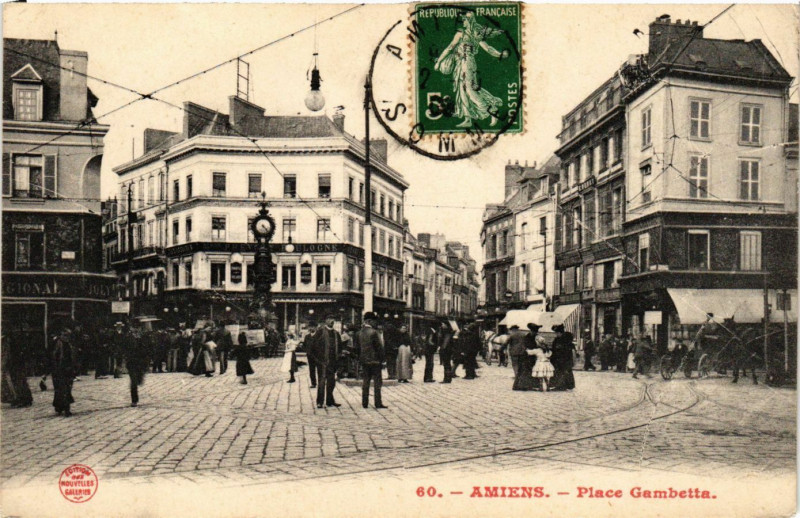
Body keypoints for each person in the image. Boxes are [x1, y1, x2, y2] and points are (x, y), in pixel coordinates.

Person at [433, 11, 506, 128]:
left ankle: (491, 109)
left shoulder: (465, 33)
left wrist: (439, 62)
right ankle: (468, 118)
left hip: (466, 63)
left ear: (470, 21)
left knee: (469, 90)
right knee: (462, 90)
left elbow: (450, 48)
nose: (463, 22)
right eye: (463, 19)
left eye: (465, 19)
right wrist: (499, 54)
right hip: (462, 63)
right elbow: (487, 48)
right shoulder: (474, 33)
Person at [356, 312, 387, 409]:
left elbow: (357, 349)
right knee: (377, 382)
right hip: (375, 361)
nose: (375, 323)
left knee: (366, 381)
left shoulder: (359, 333)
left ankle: (364, 403)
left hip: (364, 361)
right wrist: (383, 360)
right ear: (369, 321)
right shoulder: (374, 332)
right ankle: (378, 403)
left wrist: (360, 358)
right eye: (374, 321)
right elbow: (379, 348)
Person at [309, 317, 341, 408]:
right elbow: (313, 347)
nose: (331, 321)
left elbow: (340, 347)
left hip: (333, 362)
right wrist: (318, 359)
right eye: (329, 319)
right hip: (322, 362)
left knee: (331, 382)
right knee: (322, 382)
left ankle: (330, 401)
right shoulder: (320, 332)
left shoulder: (336, 334)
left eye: (333, 319)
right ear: (326, 321)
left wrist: (338, 359)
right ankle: (320, 402)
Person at [51, 328, 77, 416]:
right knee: (63, 389)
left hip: (69, 369)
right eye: (64, 335)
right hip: (60, 370)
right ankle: (65, 408)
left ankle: (61, 406)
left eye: (68, 336)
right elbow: (54, 357)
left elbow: (73, 357)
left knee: (67, 389)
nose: (66, 337)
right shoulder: (58, 344)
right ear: (61, 336)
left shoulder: (70, 345)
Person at [7, 323, 33, 408]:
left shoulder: (18, 340)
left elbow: (22, 352)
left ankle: (24, 399)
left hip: (18, 362)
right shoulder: (17, 338)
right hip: (17, 362)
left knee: (20, 381)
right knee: (19, 381)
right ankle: (25, 399)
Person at [125, 326, 150, 407]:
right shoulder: (128, 338)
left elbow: (147, 350)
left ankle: (140, 379)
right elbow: (125, 348)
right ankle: (134, 400)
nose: (135, 330)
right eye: (134, 328)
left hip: (140, 363)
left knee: (138, 379)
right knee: (133, 381)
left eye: (137, 328)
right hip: (131, 362)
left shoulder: (143, 338)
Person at [508, 324, 534, 390]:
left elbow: (506, 343)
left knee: (515, 365)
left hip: (514, 353)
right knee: (521, 367)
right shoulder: (523, 334)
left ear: (513, 329)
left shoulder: (512, 335)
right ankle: (520, 380)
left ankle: (517, 380)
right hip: (522, 352)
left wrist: (501, 349)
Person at [550, 325, 576, 391]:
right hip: (562, 360)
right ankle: (567, 385)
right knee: (564, 372)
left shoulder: (564, 340)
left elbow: (566, 351)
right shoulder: (558, 340)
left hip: (563, 360)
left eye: (557, 333)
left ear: (560, 332)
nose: (556, 334)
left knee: (562, 372)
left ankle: (561, 386)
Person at [304, 322, 318, 388]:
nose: (311, 328)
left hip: (318, 356)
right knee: (311, 370)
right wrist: (307, 351)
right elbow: (304, 345)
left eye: (313, 327)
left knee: (320, 370)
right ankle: (313, 383)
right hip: (310, 356)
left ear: (316, 327)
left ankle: (321, 382)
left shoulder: (319, 336)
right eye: (310, 327)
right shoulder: (307, 337)